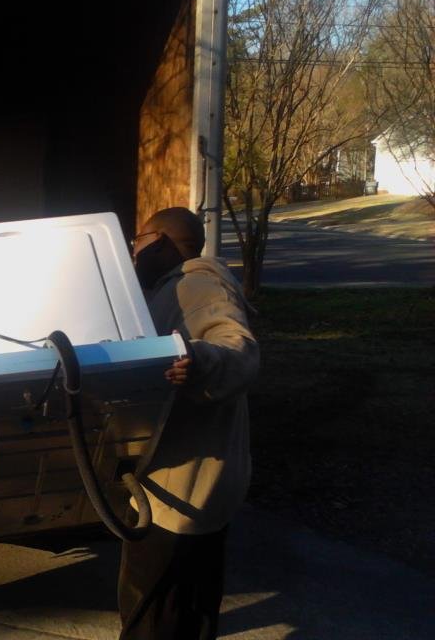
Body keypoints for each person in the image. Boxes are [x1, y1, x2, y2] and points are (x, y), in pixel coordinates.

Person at [119, 207, 259, 640]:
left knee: (154, 615)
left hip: (180, 489)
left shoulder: (196, 284)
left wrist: (198, 361)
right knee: (191, 613)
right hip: (197, 483)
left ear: (158, 241)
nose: (133, 250)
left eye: (137, 241)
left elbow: (237, 348)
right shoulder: (172, 288)